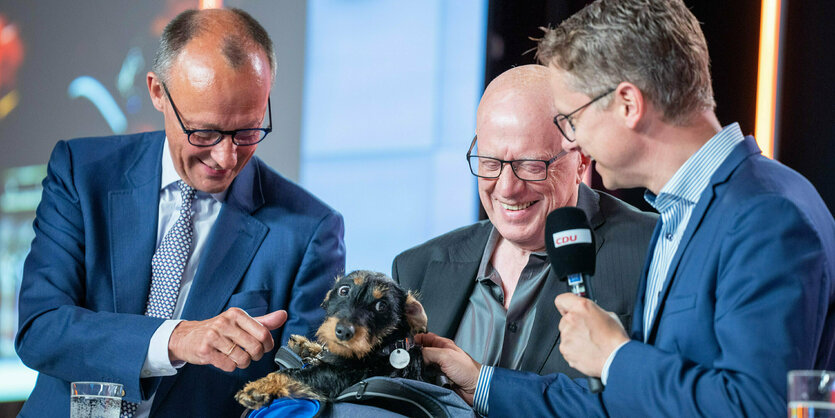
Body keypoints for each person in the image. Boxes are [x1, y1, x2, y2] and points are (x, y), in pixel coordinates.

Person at [419, 0, 835, 416]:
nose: (571, 143)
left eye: (571, 119)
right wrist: (484, 384)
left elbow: (757, 407)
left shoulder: (765, 215)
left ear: (628, 105)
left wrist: (615, 356)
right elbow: (631, 402)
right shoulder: (683, 215)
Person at [15, 8, 345, 418]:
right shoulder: (81, 172)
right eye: (203, 132)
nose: (226, 158)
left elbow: (302, 394)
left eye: (248, 131)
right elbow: (40, 329)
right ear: (157, 93)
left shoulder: (310, 230)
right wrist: (176, 339)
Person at [393, 64, 656, 377]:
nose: (507, 189)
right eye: (490, 163)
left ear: (581, 157)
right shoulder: (415, 269)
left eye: (531, 166)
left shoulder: (651, 249)